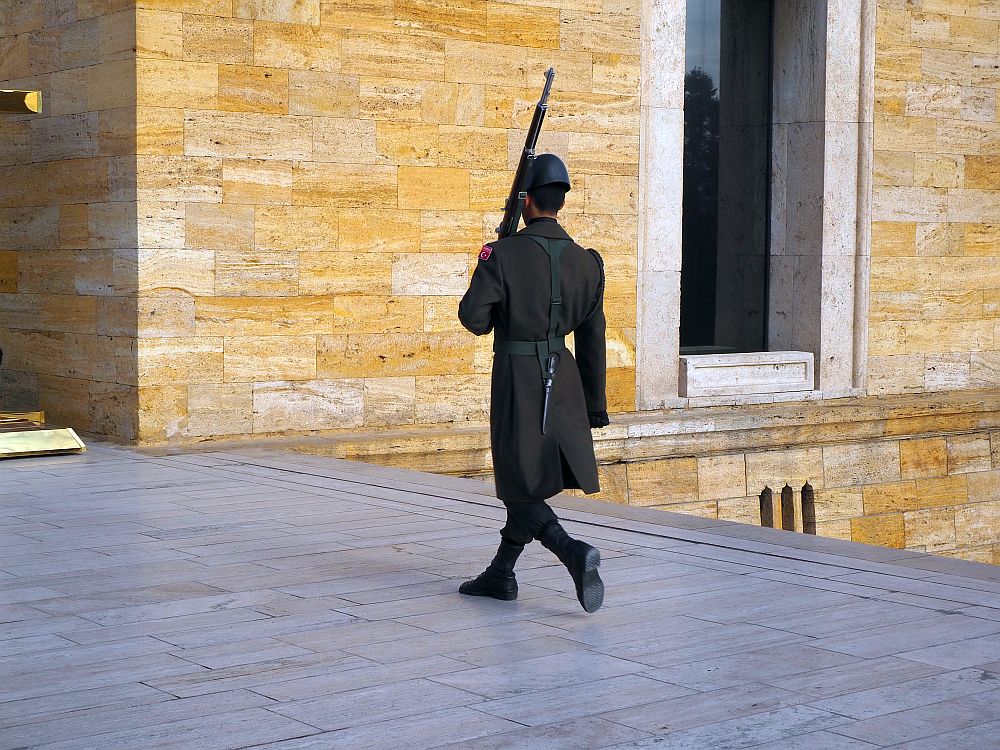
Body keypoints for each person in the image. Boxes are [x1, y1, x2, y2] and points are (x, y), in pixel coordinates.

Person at [457, 153, 610, 613]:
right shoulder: (588, 263)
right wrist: (594, 405)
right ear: (559, 202)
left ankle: (572, 551)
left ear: (524, 201)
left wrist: (492, 261)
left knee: (516, 482)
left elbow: (474, 320)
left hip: (518, 380)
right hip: (562, 383)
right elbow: (593, 338)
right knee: (526, 479)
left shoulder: (501, 254)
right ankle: (501, 574)